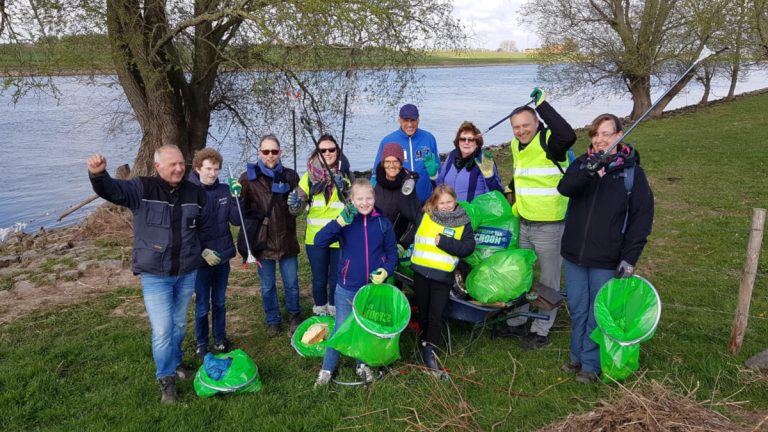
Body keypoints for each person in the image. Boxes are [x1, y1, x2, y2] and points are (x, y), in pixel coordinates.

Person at [87, 145, 211, 404]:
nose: (179, 168)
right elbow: (112, 190)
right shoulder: (141, 189)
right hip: (155, 275)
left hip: (187, 272)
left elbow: (203, 226)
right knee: (163, 329)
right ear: (157, 167)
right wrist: (98, 175)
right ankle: (166, 381)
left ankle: (177, 364)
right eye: (172, 165)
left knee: (178, 324)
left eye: (181, 163)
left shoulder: (195, 193)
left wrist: (203, 251)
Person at [557, 113, 654, 383]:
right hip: (575, 253)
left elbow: (641, 219)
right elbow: (565, 188)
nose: (599, 140)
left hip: (607, 257)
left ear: (619, 135)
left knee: (597, 313)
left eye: (606, 134)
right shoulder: (583, 163)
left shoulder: (631, 173)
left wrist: (630, 257)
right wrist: (589, 170)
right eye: (596, 134)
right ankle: (575, 357)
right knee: (577, 308)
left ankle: (590, 365)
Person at [500, 87, 577, 350]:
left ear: (537, 123)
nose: (521, 131)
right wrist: (510, 188)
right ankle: (518, 320)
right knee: (521, 274)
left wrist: (543, 104)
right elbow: (525, 173)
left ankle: (541, 329)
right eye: (515, 127)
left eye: (525, 125)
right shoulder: (514, 144)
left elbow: (568, 134)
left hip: (550, 225)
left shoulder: (551, 142)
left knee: (548, 279)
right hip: (524, 222)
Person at [313, 179, 398, 386]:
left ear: (374, 198)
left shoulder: (382, 223)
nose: (364, 202)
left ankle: (362, 364)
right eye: (359, 198)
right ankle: (326, 370)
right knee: (341, 328)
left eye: (369, 198)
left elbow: (392, 254)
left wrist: (386, 271)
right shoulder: (346, 221)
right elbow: (319, 240)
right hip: (347, 288)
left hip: (371, 288)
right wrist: (340, 222)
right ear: (351, 200)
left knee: (366, 327)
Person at [238, 135, 302, 336]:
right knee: (267, 286)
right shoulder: (247, 178)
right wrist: (234, 196)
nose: (270, 155)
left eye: (274, 151)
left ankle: (294, 315)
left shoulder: (291, 176)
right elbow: (241, 211)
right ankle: (272, 319)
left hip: (286, 239)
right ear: (259, 152)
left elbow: (299, 208)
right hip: (262, 241)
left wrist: (297, 204)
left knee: (291, 283)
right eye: (266, 151)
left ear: (280, 152)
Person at [410, 185, 475, 376]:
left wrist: (445, 242)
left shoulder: (462, 221)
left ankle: (430, 351)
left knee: (435, 315)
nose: (446, 206)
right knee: (423, 311)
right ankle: (422, 342)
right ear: (434, 202)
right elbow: (413, 233)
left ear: (455, 201)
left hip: (442, 277)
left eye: (449, 202)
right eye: (442, 202)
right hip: (421, 273)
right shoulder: (426, 216)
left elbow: (468, 248)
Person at [287, 134, 353, 317]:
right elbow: (297, 209)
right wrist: (294, 204)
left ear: (337, 151)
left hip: (341, 237)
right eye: (323, 150)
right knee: (319, 279)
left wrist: (345, 190)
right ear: (318, 152)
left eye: (331, 149)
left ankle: (335, 309)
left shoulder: (347, 175)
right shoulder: (308, 178)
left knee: (336, 278)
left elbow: (355, 204)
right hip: (316, 238)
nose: (328, 153)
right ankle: (320, 309)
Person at [188, 148, 241, 359]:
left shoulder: (223, 191)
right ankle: (201, 343)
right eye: (208, 169)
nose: (212, 173)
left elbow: (236, 220)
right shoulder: (189, 192)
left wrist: (238, 198)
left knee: (219, 301)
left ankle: (220, 340)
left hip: (222, 256)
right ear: (198, 168)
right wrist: (201, 252)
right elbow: (184, 229)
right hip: (200, 261)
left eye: (216, 169)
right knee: (202, 305)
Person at [371, 104, 440, 204]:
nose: (409, 124)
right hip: (398, 203)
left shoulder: (429, 138)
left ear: (418, 120)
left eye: (413, 120)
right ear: (399, 120)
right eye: (406, 120)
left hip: (426, 202)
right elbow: (376, 173)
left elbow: (439, 171)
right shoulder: (388, 141)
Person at [436, 121, 503, 202]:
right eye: (463, 139)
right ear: (458, 141)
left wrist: (490, 178)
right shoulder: (451, 156)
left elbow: (497, 194)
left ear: (477, 143)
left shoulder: (484, 160)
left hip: (473, 213)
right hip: (448, 211)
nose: (466, 142)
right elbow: (440, 186)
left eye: (471, 139)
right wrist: (434, 175)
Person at [373, 142, 423, 247]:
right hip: (373, 242)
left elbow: (418, 220)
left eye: (396, 161)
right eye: (387, 161)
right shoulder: (375, 185)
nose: (391, 166)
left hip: (394, 244)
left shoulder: (407, 187)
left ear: (401, 163)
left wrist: (403, 244)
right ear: (383, 163)